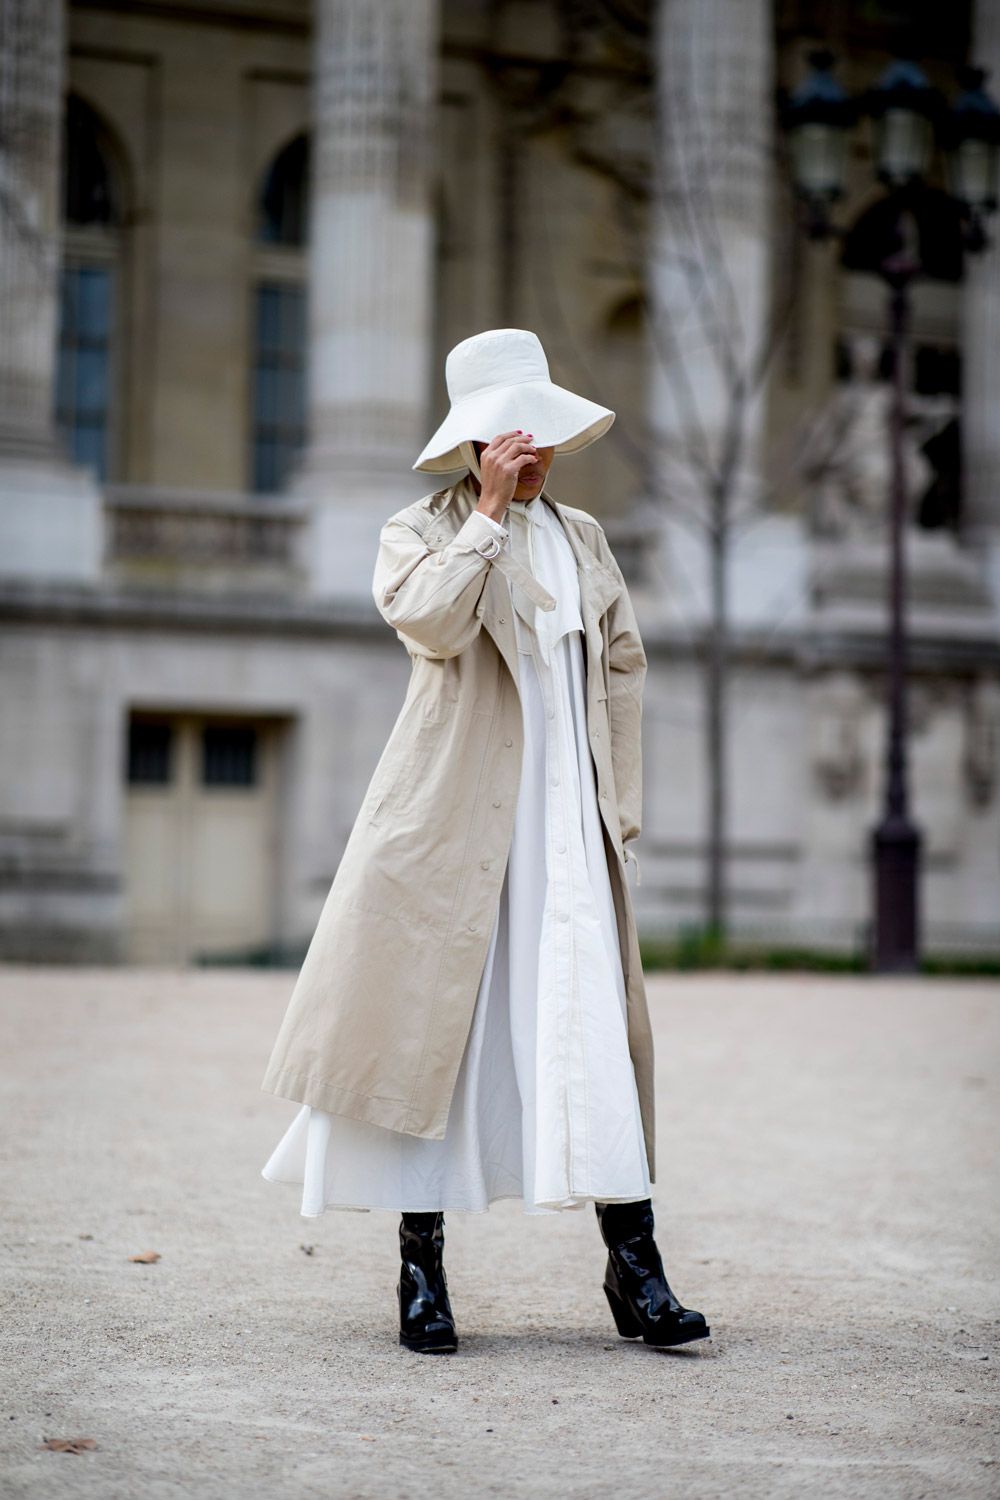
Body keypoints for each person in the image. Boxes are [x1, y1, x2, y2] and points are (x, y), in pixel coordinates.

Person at [260, 328, 710, 1355]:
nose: (530, 449)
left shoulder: (587, 537)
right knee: (440, 1041)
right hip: (454, 826)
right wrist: (492, 520)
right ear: (473, 441)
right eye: (511, 434)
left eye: (539, 432)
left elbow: (624, 663)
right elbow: (430, 624)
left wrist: (616, 805)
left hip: (567, 823)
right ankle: (422, 1272)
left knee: (590, 1022)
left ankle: (634, 1270)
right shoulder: (418, 530)